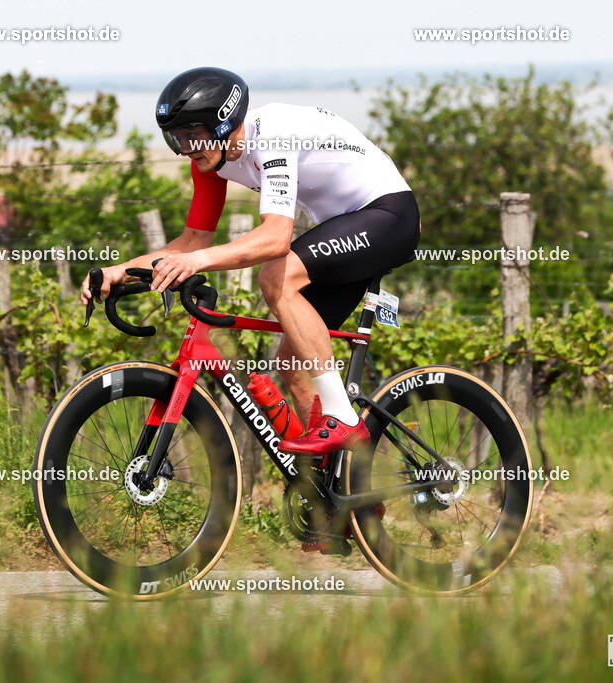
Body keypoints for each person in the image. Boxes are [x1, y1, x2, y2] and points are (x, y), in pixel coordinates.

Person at [81, 66, 420, 458]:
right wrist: (117, 272)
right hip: (347, 227)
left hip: (389, 216)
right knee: (293, 364)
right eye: (177, 138)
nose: (186, 147)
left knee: (276, 275)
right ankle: (342, 497)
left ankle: (343, 419)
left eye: (193, 135)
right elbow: (192, 241)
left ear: (224, 123)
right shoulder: (211, 160)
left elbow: (276, 238)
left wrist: (196, 262)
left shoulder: (273, 133)